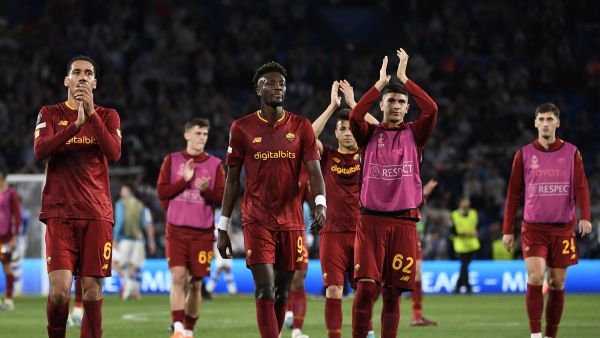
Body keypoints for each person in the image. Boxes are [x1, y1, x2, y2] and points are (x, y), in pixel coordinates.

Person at [217, 61, 326, 338]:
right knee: (265, 288)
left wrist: (321, 204)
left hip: (291, 221)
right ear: (258, 90)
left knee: (281, 292)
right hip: (257, 219)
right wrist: (223, 226)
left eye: (282, 84)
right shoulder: (241, 128)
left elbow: (314, 172)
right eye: (271, 83)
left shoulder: (301, 126)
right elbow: (232, 180)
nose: (278, 88)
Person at [349, 49, 438, 338]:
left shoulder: (415, 134)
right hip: (370, 221)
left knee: (392, 294)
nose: (397, 105)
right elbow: (355, 115)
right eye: (391, 101)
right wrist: (378, 86)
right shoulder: (367, 135)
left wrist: (404, 79)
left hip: (404, 222)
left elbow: (433, 109)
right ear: (383, 105)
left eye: (402, 101)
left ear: (407, 108)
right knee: (365, 290)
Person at [33, 55, 121, 338]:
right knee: (59, 294)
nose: (83, 77)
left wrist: (91, 115)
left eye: (88, 73)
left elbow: (114, 153)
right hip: (60, 214)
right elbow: (40, 151)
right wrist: (75, 125)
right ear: (66, 81)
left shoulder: (108, 116)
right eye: (77, 72)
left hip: (96, 213)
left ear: (94, 83)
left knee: (92, 290)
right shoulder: (50, 113)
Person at [502, 102, 592, 338]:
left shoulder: (571, 152)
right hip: (533, 227)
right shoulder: (524, 154)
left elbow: (581, 187)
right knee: (535, 276)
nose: (545, 124)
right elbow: (513, 194)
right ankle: (535, 335)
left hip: (563, 228)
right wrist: (507, 229)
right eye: (541, 119)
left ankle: (551, 335)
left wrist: (585, 217)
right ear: (535, 123)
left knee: (557, 283)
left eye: (549, 119)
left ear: (557, 123)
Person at [310, 80, 377, 338]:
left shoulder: (367, 153)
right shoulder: (326, 156)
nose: (348, 132)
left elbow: (380, 129)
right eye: (342, 129)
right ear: (336, 133)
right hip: (333, 233)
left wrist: (353, 104)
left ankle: (366, 332)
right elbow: (308, 136)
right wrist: (332, 106)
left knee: (366, 290)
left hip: (363, 231)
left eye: (351, 128)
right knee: (333, 290)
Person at [157, 118, 225, 338]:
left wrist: (205, 191)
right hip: (176, 231)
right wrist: (184, 181)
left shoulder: (215, 164)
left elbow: (222, 198)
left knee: (196, 283)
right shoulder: (172, 160)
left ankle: (188, 330)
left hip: (203, 233)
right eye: (198, 133)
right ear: (187, 135)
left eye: (205, 134)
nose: (201, 138)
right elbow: (162, 193)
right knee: (178, 278)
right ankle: (177, 328)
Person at [114, 182, 157, 300]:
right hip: (138, 239)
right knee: (134, 265)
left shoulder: (120, 204)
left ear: (127, 190)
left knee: (116, 261)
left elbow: (120, 221)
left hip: (125, 239)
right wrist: (151, 241)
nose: (121, 192)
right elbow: (146, 224)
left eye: (123, 190)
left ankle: (127, 284)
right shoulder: (140, 205)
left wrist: (115, 238)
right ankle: (134, 290)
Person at [410, 179, 438, 326]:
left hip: (411, 232)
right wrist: (423, 193)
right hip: (395, 229)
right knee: (382, 278)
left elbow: (414, 200)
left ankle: (417, 315)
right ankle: (364, 315)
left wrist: (422, 194)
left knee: (417, 273)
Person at [0, 166, 22, 311]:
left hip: (5, 237)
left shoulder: (10, 194)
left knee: (7, 267)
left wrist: (14, 237)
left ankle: (9, 300)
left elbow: (17, 216)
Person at [450, 197, 480, 294]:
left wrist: (475, 232)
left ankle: (459, 286)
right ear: (460, 203)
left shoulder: (473, 213)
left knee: (465, 265)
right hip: (460, 244)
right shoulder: (454, 215)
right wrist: (462, 233)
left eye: (468, 201)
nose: (467, 203)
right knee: (464, 265)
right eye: (464, 201)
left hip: (472, 243)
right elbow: (452, 231)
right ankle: (467, 286)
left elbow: (476, 226)